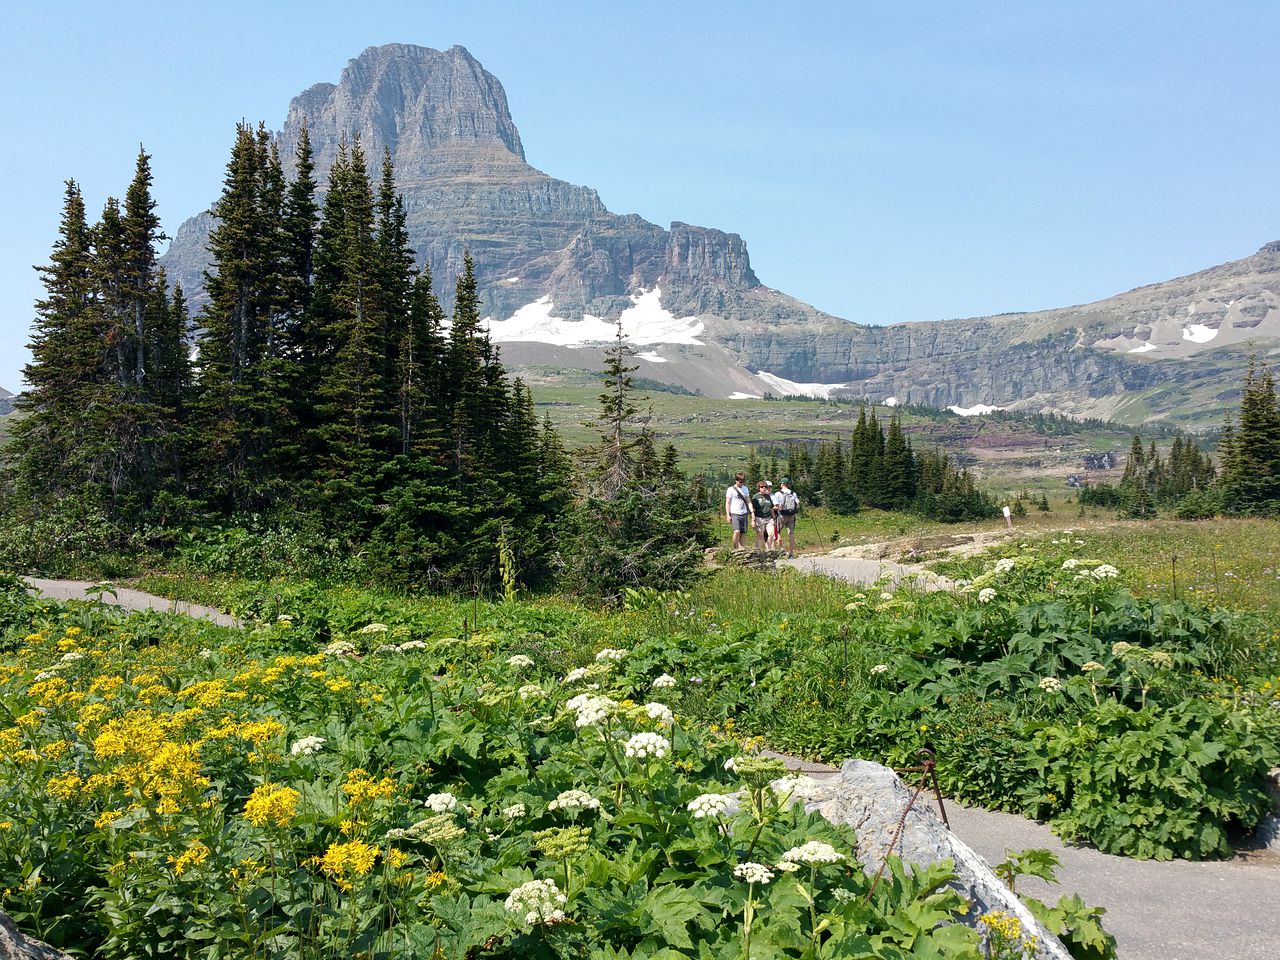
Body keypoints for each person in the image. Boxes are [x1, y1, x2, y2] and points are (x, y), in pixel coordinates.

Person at [774, 477, 801, 557]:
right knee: (791, 534)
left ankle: (782, 549)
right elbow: (798, 504)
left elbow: (776, 505)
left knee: (776, 531)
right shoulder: (793, 493)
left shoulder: (778, 494)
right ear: (788, 484)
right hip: (791, 515)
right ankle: (791, 554)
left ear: (782, 484)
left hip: (782, 515)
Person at [725, 472, 751, 549]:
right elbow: (728, 502)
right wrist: (727, 515)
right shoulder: (730, 489)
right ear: (736, 480)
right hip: (735, 512)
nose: (741, 483)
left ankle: (741, 548)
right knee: (737, 531)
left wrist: (751, 511)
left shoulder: (745, 489)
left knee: (742, 533)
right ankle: (735, 547)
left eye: (743, 482)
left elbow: (748, 500)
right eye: (740, 482)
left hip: (744, 512)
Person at [750, 480, 776, 552]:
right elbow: (753, 509)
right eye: (762, 487)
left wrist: (773, 518)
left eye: (765, 487)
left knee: (771, 534)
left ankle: (768, 550)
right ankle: (758, 551)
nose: (764, 488)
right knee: (760, 536)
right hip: (759, 518)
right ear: (759, 488)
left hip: (769, 518)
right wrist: (753, 520)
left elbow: (771, 507)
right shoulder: (756, 497)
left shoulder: (768, 496)